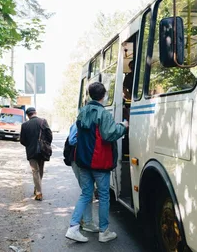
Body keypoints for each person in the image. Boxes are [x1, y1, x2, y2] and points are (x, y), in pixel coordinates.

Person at [65, 82, 128, 243]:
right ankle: (104, 231)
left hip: (83, 161)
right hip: (100, 163)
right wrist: (123, 126)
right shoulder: (103, 114)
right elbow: (109, 135)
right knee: (104, 196)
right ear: (103, 95)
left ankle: (73, 228)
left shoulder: (82, 111)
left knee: (86, 194)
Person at [67, 122, 99, 233]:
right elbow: (72, 140)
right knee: (87, 192)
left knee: (87, 191)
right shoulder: (79, 124)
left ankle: (82, 220)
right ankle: (86, 222)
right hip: (78, 161)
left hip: (82, 161)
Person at [20, 107, 52, 201]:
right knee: (40, 169)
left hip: (31, 151)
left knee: (35, 171)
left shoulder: (24, 125)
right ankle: (37, 188)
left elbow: (22, 140)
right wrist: (46, 144)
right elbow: (49, 135)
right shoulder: (43, 121)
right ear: (35, 113)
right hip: (42, 150)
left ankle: (38, 192)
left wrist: (29, 145)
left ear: (27, 115)